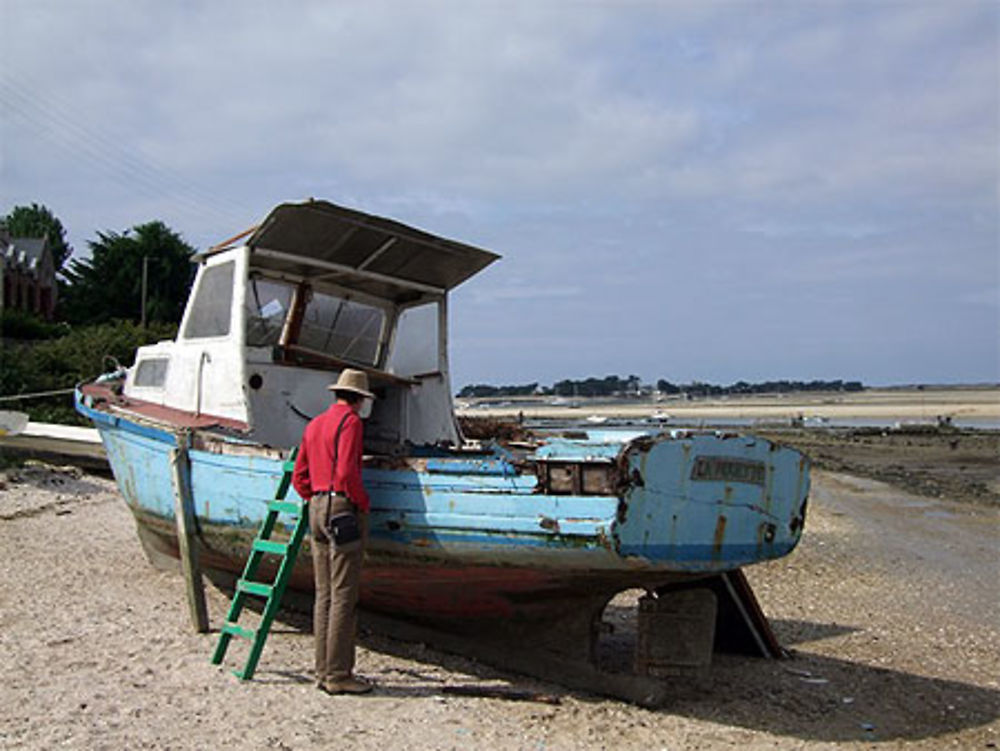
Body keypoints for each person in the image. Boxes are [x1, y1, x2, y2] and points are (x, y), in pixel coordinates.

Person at [292, 368, 375, 695]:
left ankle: (323, 671)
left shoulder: (315, 424)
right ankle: (339, 675)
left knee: (324, 594)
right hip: (341, 506)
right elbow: (345, 472)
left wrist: (316, 498)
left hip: (316, 506)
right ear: (360, 399)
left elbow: (300, 474)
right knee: (343, 594)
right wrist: (361, 502)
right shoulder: (351, 423)